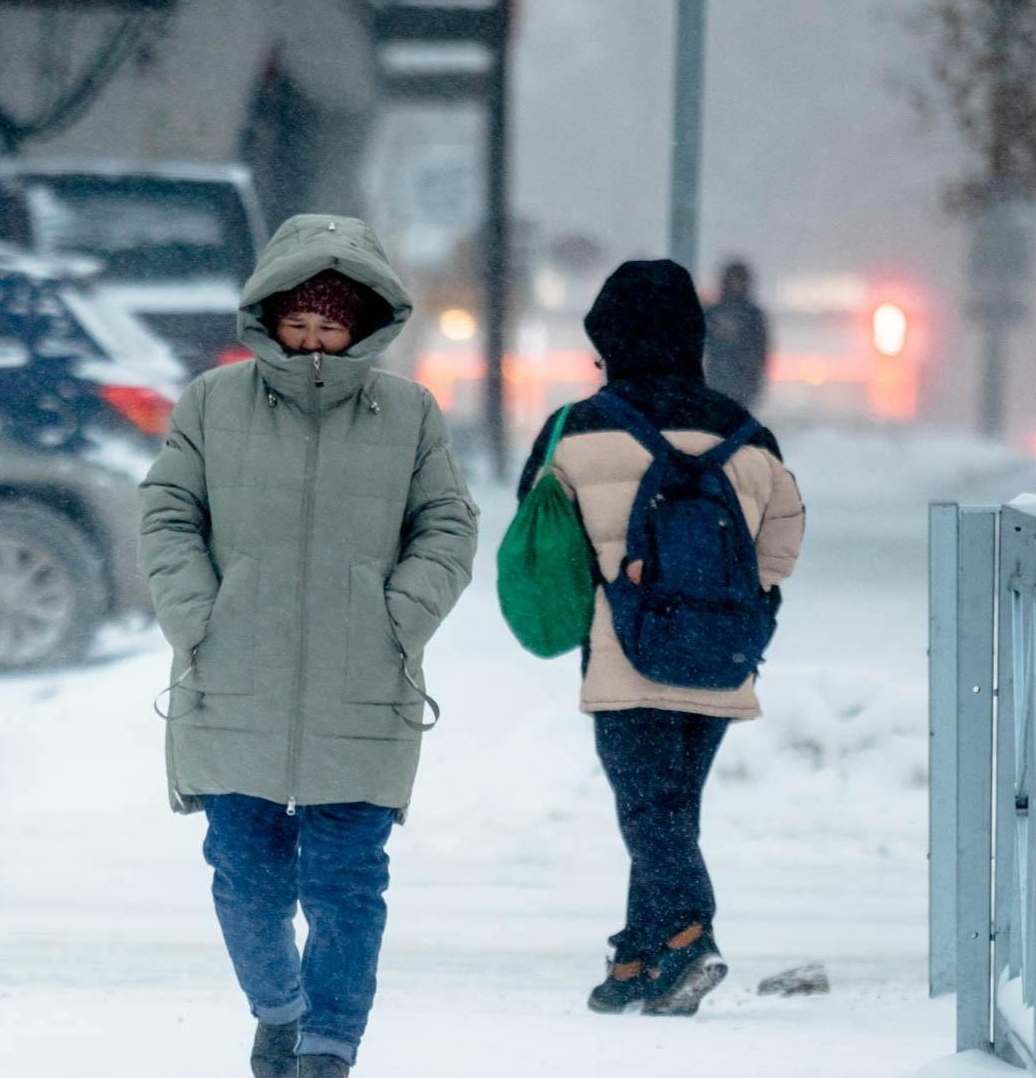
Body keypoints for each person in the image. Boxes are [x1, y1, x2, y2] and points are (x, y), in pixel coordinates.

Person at [140, 214, 478, 1078]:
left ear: (364, 324)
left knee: (346, 883)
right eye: (299, 321)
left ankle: (330, 1046)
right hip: (232, 677)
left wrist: (397, 617)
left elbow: (446, 524)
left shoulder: (407, 414)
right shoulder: (211, 405)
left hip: (363, 683)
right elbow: (168, 514)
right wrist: (199, 616)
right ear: (269, 314)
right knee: (243, 876)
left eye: (332, 324)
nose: (314, 340)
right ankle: (279, 1009)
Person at [517, 259, 805, 1017]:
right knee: (672, 804)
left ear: (608, 342)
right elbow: (784, 533)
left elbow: (538, 540)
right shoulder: (748, 433)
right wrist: (752, 604)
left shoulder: (575, 428)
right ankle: (637, 956)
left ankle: (685, 937)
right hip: (722, 652)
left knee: (648, 809)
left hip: (625, 648)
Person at [703, 259, 771, 409]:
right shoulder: (713, 312)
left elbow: (761, 348)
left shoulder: (753, 315)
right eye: (733, 279)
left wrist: (757, 376)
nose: (736, 284)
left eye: (740, 279)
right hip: (717, 377)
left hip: (744, 379)